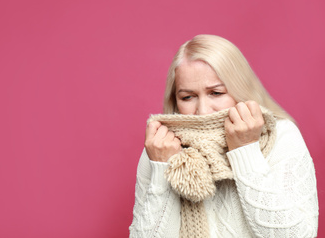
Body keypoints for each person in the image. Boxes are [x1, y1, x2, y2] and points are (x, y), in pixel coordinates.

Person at [129, 35, 319, 237]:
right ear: (175, 101)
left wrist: (246, 151)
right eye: (188, 97)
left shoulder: (281, 136)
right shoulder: (160, 148)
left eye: (216, 93)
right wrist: (162, 170)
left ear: (240, 90)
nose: (203, 111)